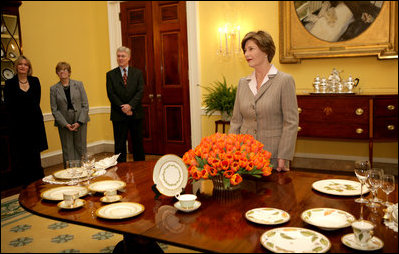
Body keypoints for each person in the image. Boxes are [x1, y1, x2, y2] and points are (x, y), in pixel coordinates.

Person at [229, 31, 299, 172]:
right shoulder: (243, 83)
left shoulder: (284, 81)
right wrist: (231, 152)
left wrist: (283, 155)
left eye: (251, 49)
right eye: (245, 50)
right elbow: (236, 121)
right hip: (244, 155)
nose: (246, 54)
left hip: (272, 155)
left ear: (265, 50)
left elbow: (290, 122)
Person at [4, 55, 48, 186]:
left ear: (29, 67)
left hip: (34, 123)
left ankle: (37, 181)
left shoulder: (35, 81)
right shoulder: (10, 83)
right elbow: (9, 105)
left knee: (35, 154)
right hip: (18, 125)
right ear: (16, 67)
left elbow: (36, 101)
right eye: (20, 64)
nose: (23, 66)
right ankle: (25, 182)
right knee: (21, 154)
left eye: (26, 64)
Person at [106, 46, 145, 162]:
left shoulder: (137, 73)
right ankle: (120, 170)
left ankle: (140, 168)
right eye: (118, 56)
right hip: (118, 115)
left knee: (138, 143)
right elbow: (111, 94)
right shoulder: (110, 75)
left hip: (135, 113)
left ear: (128, 58)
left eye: (123, 56)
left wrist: (130, 106)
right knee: (119, 145)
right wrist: (123, 107)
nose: (120, 58)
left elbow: (140, 91)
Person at [50, 62, 90, 168]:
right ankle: (70, 173)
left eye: (65, 69)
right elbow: (54, 110)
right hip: (64, 122)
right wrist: (65, 124)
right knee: (67, 149)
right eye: (60, 70)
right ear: (57, 73)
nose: (62, 72)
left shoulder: (79, 84)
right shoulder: (53, 89)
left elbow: (85, 105)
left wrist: (79, 122)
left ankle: (84, 170)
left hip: (80, 120)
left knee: (81, 147)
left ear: (69, 72)